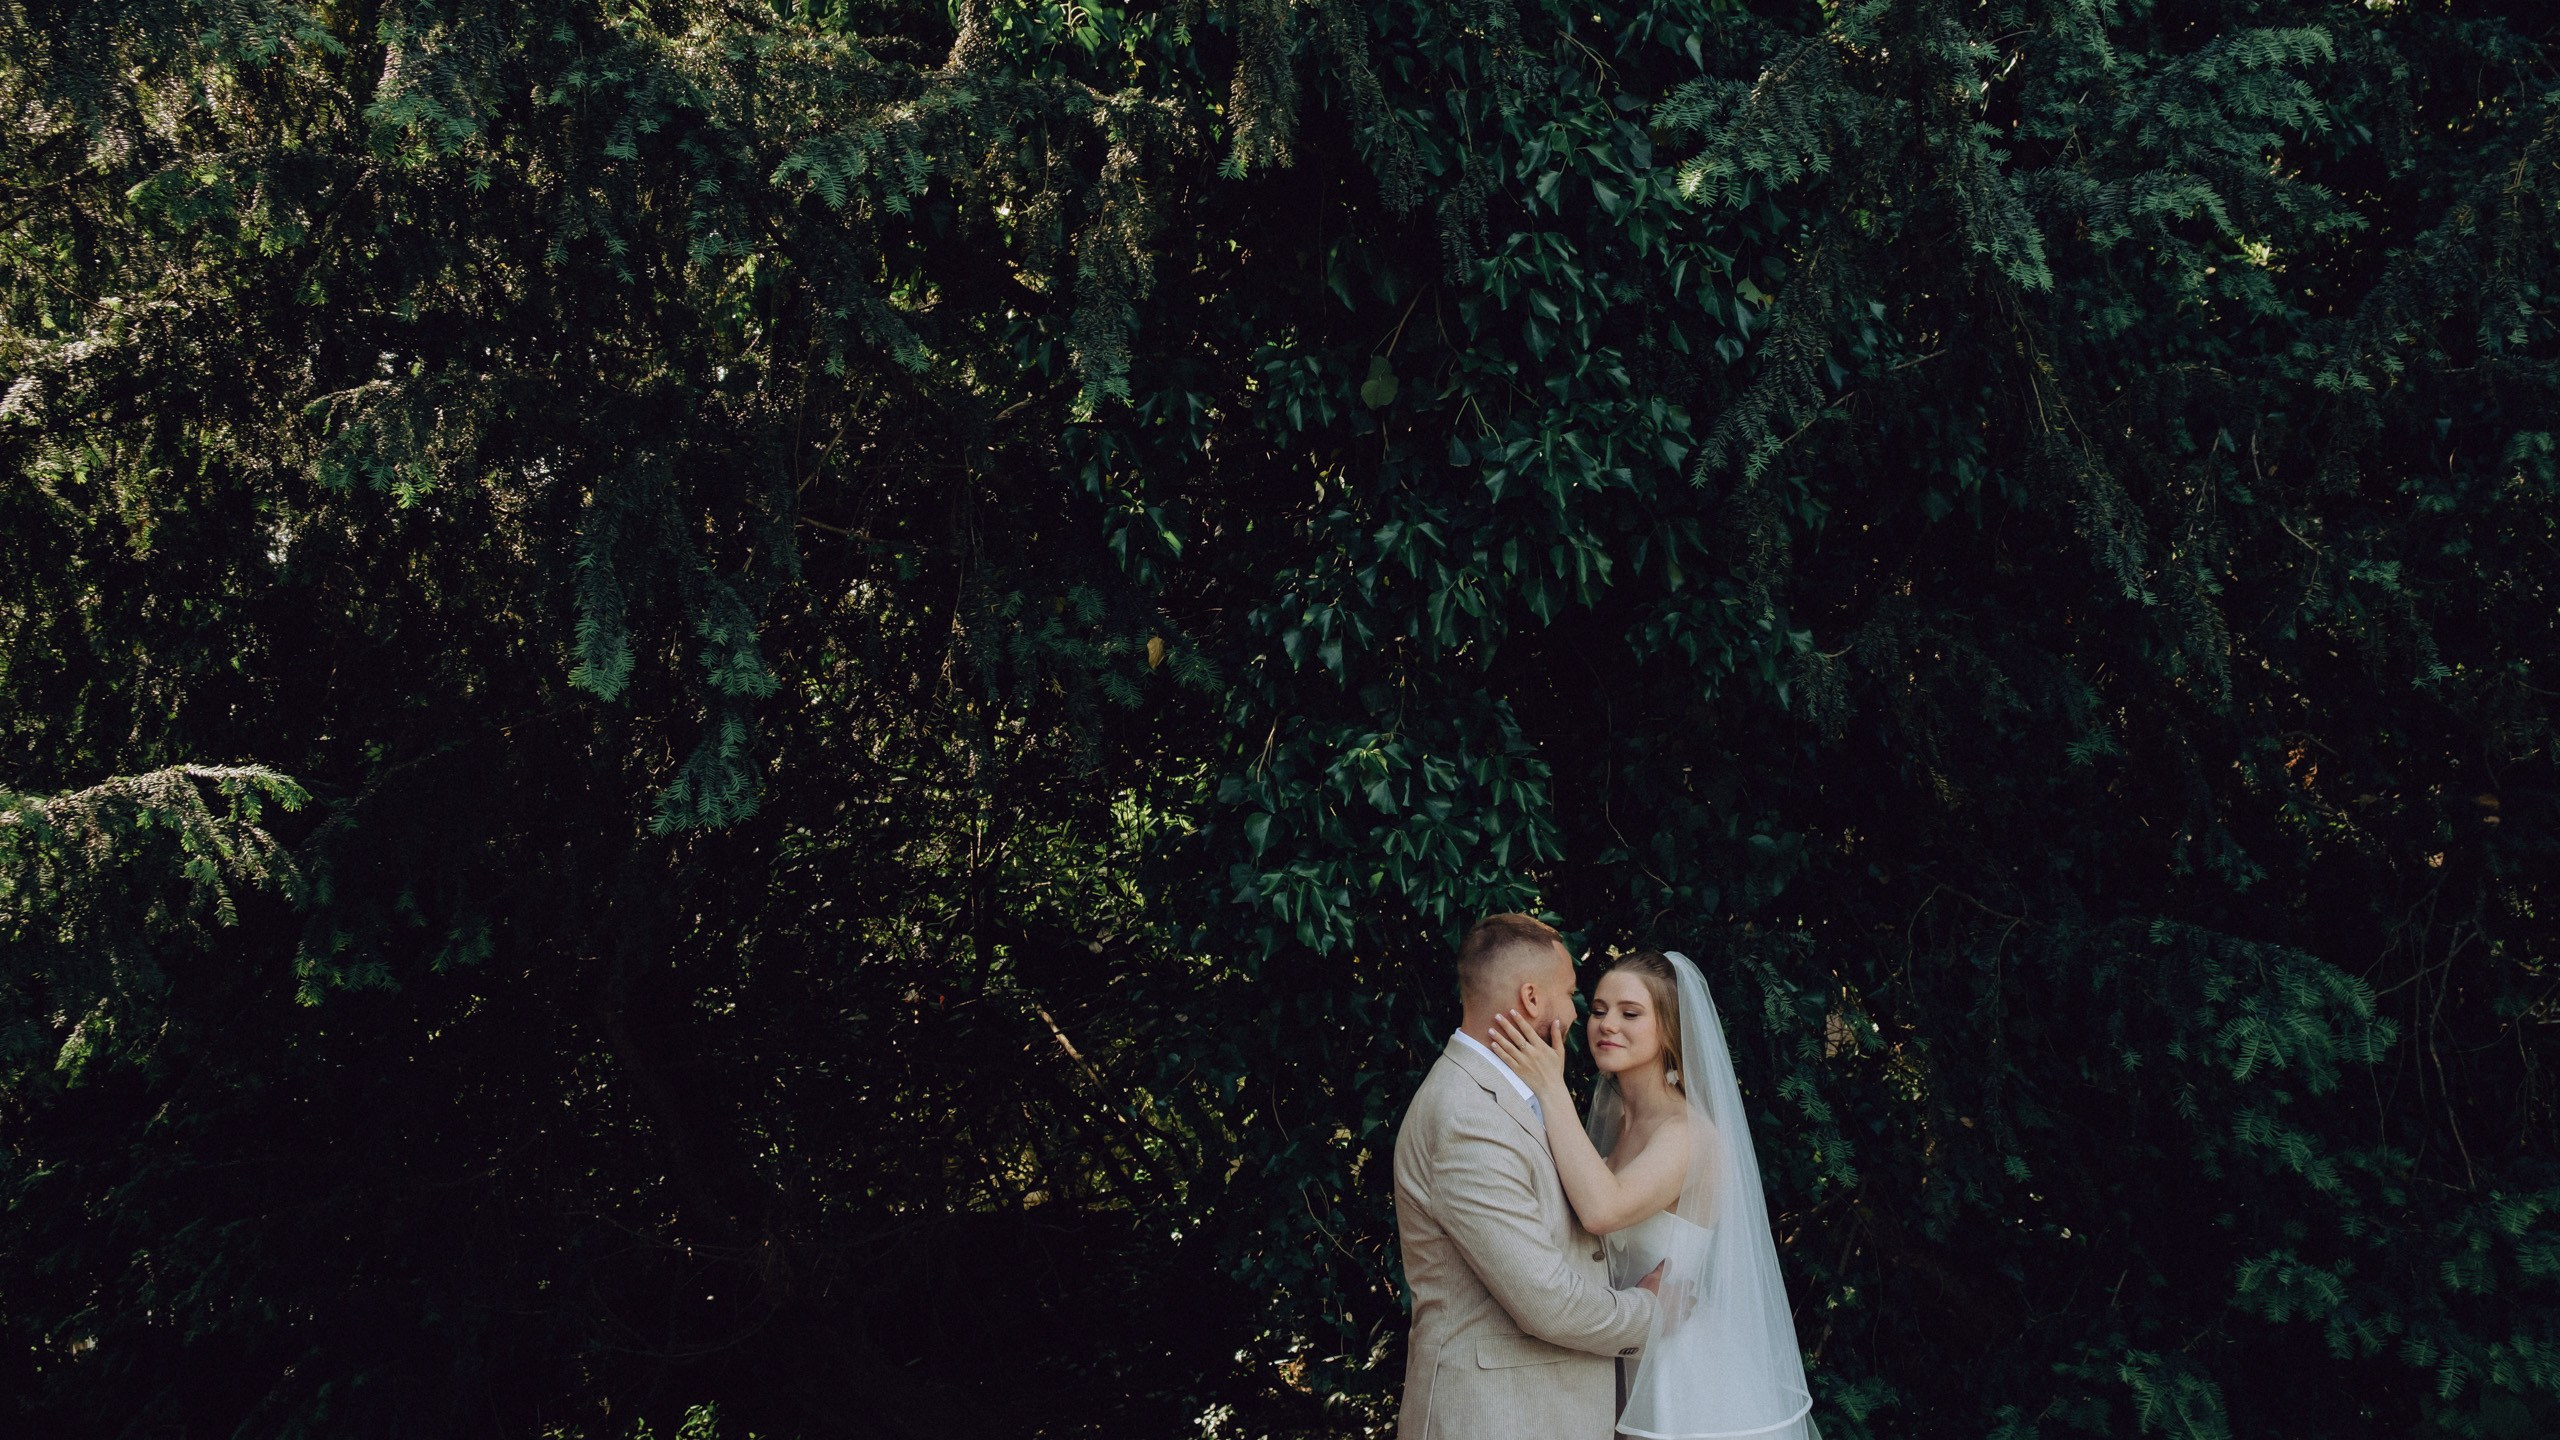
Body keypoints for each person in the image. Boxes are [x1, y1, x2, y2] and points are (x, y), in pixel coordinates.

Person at [1488, 949, 1821, 1440]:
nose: (1607, 1024)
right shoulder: (1622, 1121)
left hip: (1683, 1374)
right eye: (1599, 1010)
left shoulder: (1686, 1133)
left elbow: (1601, 1210)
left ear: (1668, 1030)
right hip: (1622, 1349)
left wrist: (1549, 1087)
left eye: (1630, 1013)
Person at [1391, 914, 1665, 1440]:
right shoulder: (1466, 1116)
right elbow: (1546, 1301)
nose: (1577, 1012)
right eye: (1571, 993)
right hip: (1497, 1418)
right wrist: (1650, 1312)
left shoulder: (1514, 1094)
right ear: (1533, 999)